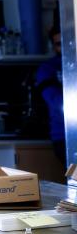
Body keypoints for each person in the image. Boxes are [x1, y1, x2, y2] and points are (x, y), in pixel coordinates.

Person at [36, 24, 66, 168]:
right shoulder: (48, 69)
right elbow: (55, 101)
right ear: (54, 46)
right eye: (59, 44)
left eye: (66, 41)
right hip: (63, 136)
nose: (63, 47)